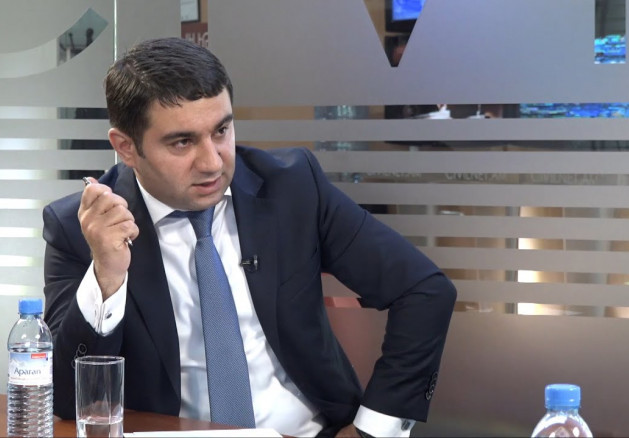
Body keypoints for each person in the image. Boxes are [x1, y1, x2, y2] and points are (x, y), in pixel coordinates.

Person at [42, 37, 456, 437]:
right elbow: (66, 400)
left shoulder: (292, 187)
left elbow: (424, 290)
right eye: (182, 142)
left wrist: (371, 431)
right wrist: (107, 276)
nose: (212, 162)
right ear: (126, 147)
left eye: (221, 131)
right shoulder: (81, 230)